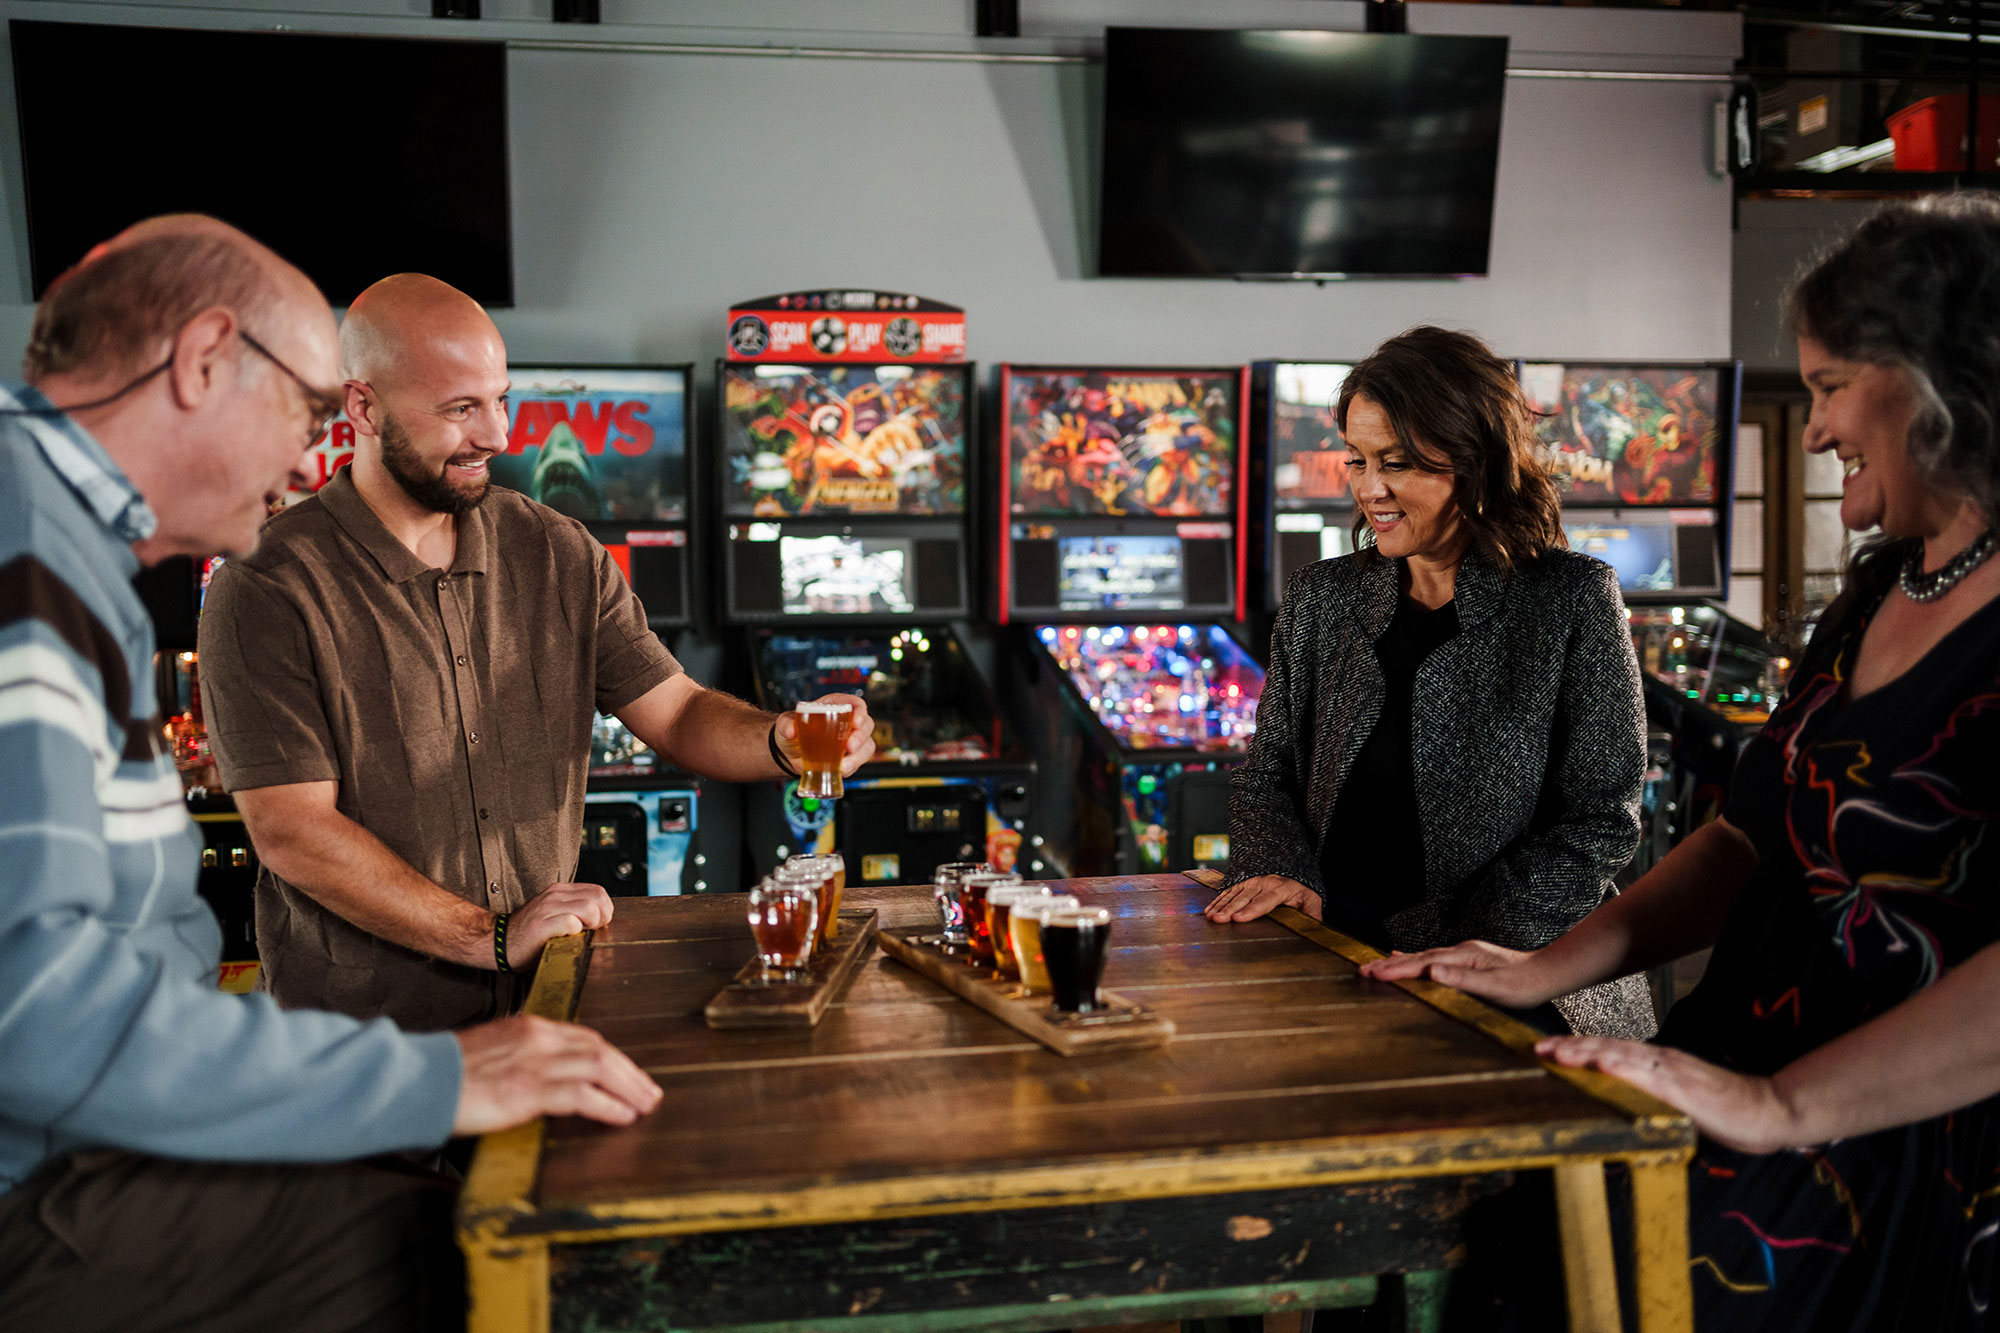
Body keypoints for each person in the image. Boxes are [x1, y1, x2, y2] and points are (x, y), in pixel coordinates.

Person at [0, 215, 661, 1329]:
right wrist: (439, 1078)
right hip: (51, 1179)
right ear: (204, 360)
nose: (315, 461)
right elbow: (40, 1010)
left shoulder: (66, 550)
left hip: (95, 1132)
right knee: (505, 1264)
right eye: (311, 412)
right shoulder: (28, 566)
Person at [1369, 193, 2000, 1330]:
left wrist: (1777, 1105)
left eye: (1822, 389)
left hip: (1895, 1137)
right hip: (1743, 1062)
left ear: (1940, 385)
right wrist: (1538, 966)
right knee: (1503, 1237)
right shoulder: (1879, 586)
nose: (1807, 433)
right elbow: (1739, 836)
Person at [198, 273, 874, 1031]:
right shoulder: (264, 585)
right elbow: (294, 831)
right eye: (461, 409)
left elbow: (677, 709)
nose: (498, 435)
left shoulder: (557, 549)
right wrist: (487, 935)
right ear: (362, 407)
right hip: (363, 1051)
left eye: (500, 400)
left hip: (539, 1016)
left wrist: (779, 741)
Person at [1207, 326, 1654, 1038]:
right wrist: (1281, 870)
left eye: (1399, 463)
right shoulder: (1322, 597)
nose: (1368, 489)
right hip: (1340, 951)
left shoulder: (1570, 598)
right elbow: (1268, 775)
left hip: (1517, 969)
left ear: (1475, 461)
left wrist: (1456, 945)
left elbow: (1601, 819)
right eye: (1357, 460)